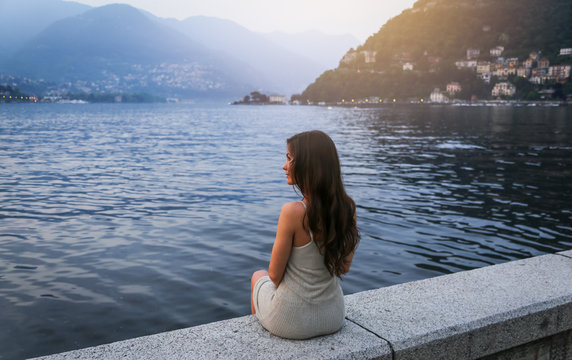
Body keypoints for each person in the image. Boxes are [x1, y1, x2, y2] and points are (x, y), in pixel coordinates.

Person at [250, 130, 359, 339]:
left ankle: (261, 342)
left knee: (258, 276)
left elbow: (273, 275)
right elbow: (344, 268)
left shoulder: (292, 212)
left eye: (289, 159)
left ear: (308, 166)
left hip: (291, 322)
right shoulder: (349, 207)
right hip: (333, 317)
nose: (284, 166)